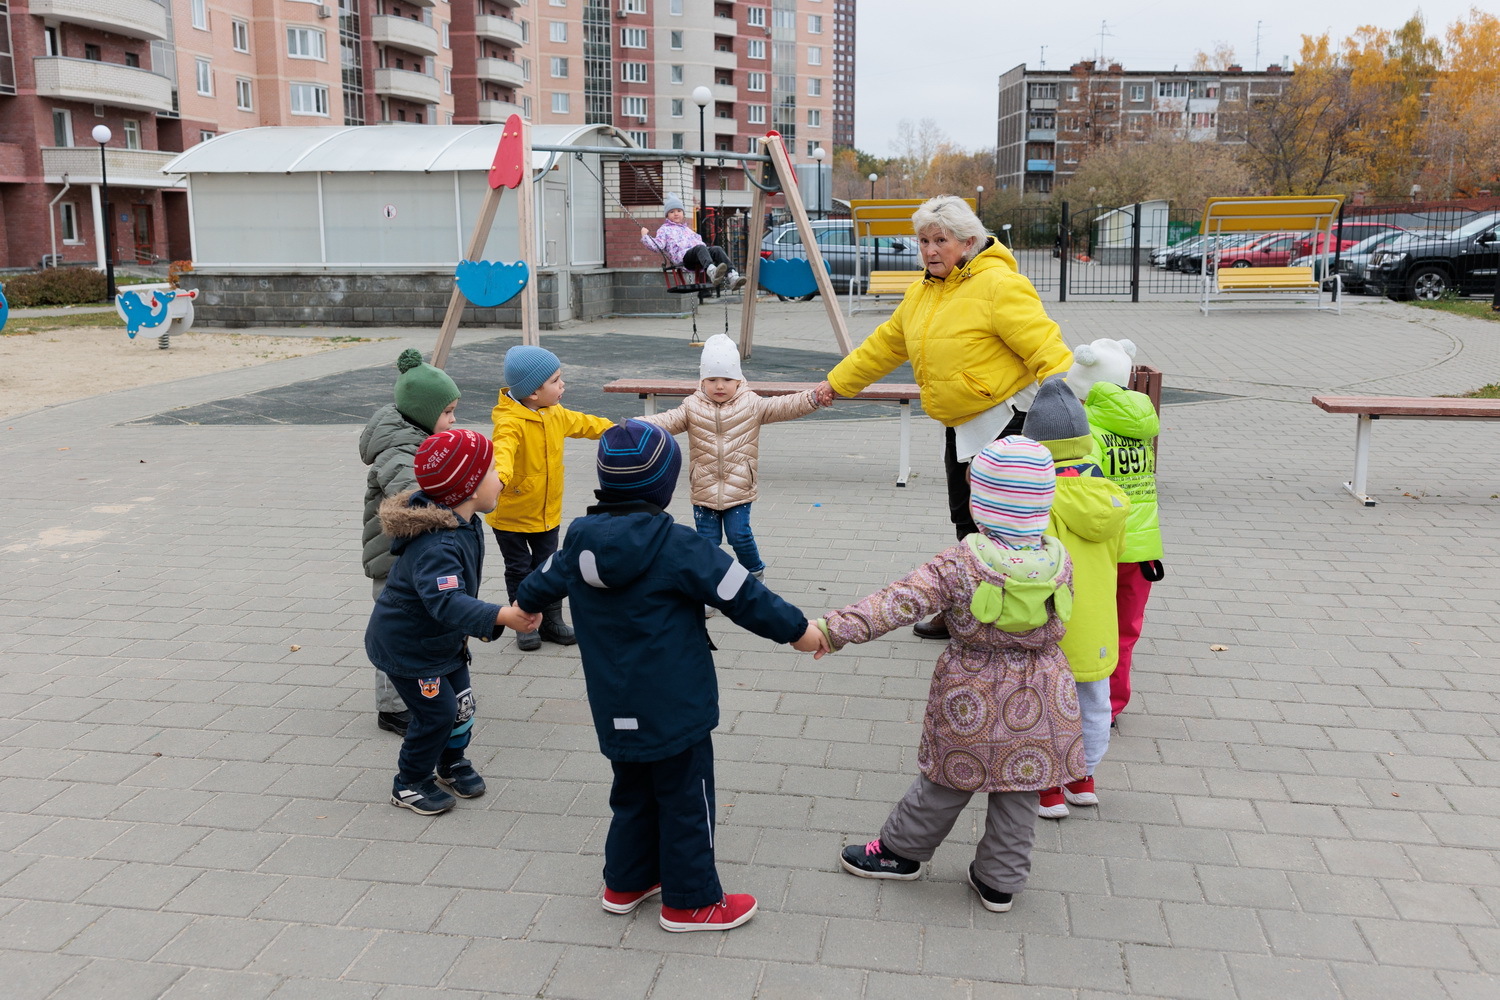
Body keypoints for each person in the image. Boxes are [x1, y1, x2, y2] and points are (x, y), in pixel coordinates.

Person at [515, 420, 828, 932]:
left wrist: (523, 609)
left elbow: (539, 582)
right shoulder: (680, 545)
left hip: (612, 701)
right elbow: (743, 595)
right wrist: (800, 632)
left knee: (632, 788)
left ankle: (626, 880)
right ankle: (692, 901)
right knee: (686, 796)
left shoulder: (578, 541)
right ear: (665, 485)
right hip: (674, 703)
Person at [819, 436, 1082, 913]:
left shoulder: (961, 563)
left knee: (946, 780)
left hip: (972, 691)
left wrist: (833, 630)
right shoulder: (1059, 560)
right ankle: (999, 882)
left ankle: (901, 854)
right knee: (1020, 788)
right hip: (1044, 691)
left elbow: (898, 601)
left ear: (981, 503)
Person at [813, 195, 1071, 642]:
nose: (930, 250)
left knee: (1007, 523)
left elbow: (1047, 348)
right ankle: (970, 607)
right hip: (960, 424)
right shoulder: (922, 293)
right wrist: (836, 383)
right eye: (924, 241)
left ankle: (1024, 613)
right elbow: (884, 346)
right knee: (966, 518)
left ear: (968, 242)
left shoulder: (999, 285)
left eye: (941, 240)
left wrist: (1072, 411)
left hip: (1005, 420)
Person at [365, 429, 541, 815]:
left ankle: (451, 762)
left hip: (440, 640)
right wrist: (501, 616)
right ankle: (409, 782)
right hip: (409, 646)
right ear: (470, 487)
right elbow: (446, 601)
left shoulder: (462, 521)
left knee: (461, 705)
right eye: (494, 469)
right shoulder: (438, 543)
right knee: (436, 714)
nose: (502, 476)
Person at [635, 334, 824, 614]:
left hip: (738, 487)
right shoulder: (692, 406)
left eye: (726, 379)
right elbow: (666, 421)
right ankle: (710, 592)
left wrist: (813, 398)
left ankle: (755, 574)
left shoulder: (752, 404)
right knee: (707, 545)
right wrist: (633, 426)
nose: (719, 386)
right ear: (701, 381)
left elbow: (784, 406)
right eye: (711, 379)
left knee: (740, 536)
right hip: (705, 488)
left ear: (739, 379)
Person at [1022, 378, 1129, 819]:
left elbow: (1033, 568)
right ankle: (1083, 777)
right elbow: (1118, 553)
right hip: (1100, 625)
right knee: (1093, 702)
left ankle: (1048, 787)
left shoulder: (1040, 500)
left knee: (1045, 704)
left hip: (1053, 625)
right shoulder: (1110, 496)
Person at [359, 348, 462, 736]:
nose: (453, 419)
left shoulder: (417, 437)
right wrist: (457, 509)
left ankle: (424, 690)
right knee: (397, 634)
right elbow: (415, 496)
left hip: (412, 556)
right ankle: (392, 707)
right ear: (422, 412)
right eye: (447, 412)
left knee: (420, 627)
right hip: (392, 558)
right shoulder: (400, 451)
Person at [487, 345, 613, 651]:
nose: (562, 385)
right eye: (556, 380)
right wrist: (498, 481)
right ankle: (523, 621)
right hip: (512, 516)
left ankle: (552, 622)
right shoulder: (509, 422)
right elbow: (501, 453)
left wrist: (619, 429)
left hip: (546, 513)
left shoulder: (555, 414)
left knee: (549, 566)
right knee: (519, 569)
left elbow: (586, 423)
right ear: (532, 392)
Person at [1066, 338, 1164, 723]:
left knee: (1090, 627)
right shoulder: (1140, 423)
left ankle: (1084, 702)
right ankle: (1114, 705)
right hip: (1143, 548)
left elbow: (1083, 490)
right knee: (1126, 630)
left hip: (1103, 548)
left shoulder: (1088, 428)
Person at [641, 194, 747, 291]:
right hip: (683, 258)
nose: (676, 214)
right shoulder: (664, 229)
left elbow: (700, 244)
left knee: (716, 249)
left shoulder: (687, 229)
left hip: (696, 256)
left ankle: (732, 276)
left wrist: (707, 252)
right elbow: (657, 246)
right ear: (667, 215)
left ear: (683, 213)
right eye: (672, 212)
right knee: (700, 247)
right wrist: (645, 236)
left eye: (678, 211)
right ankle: (712, 272)